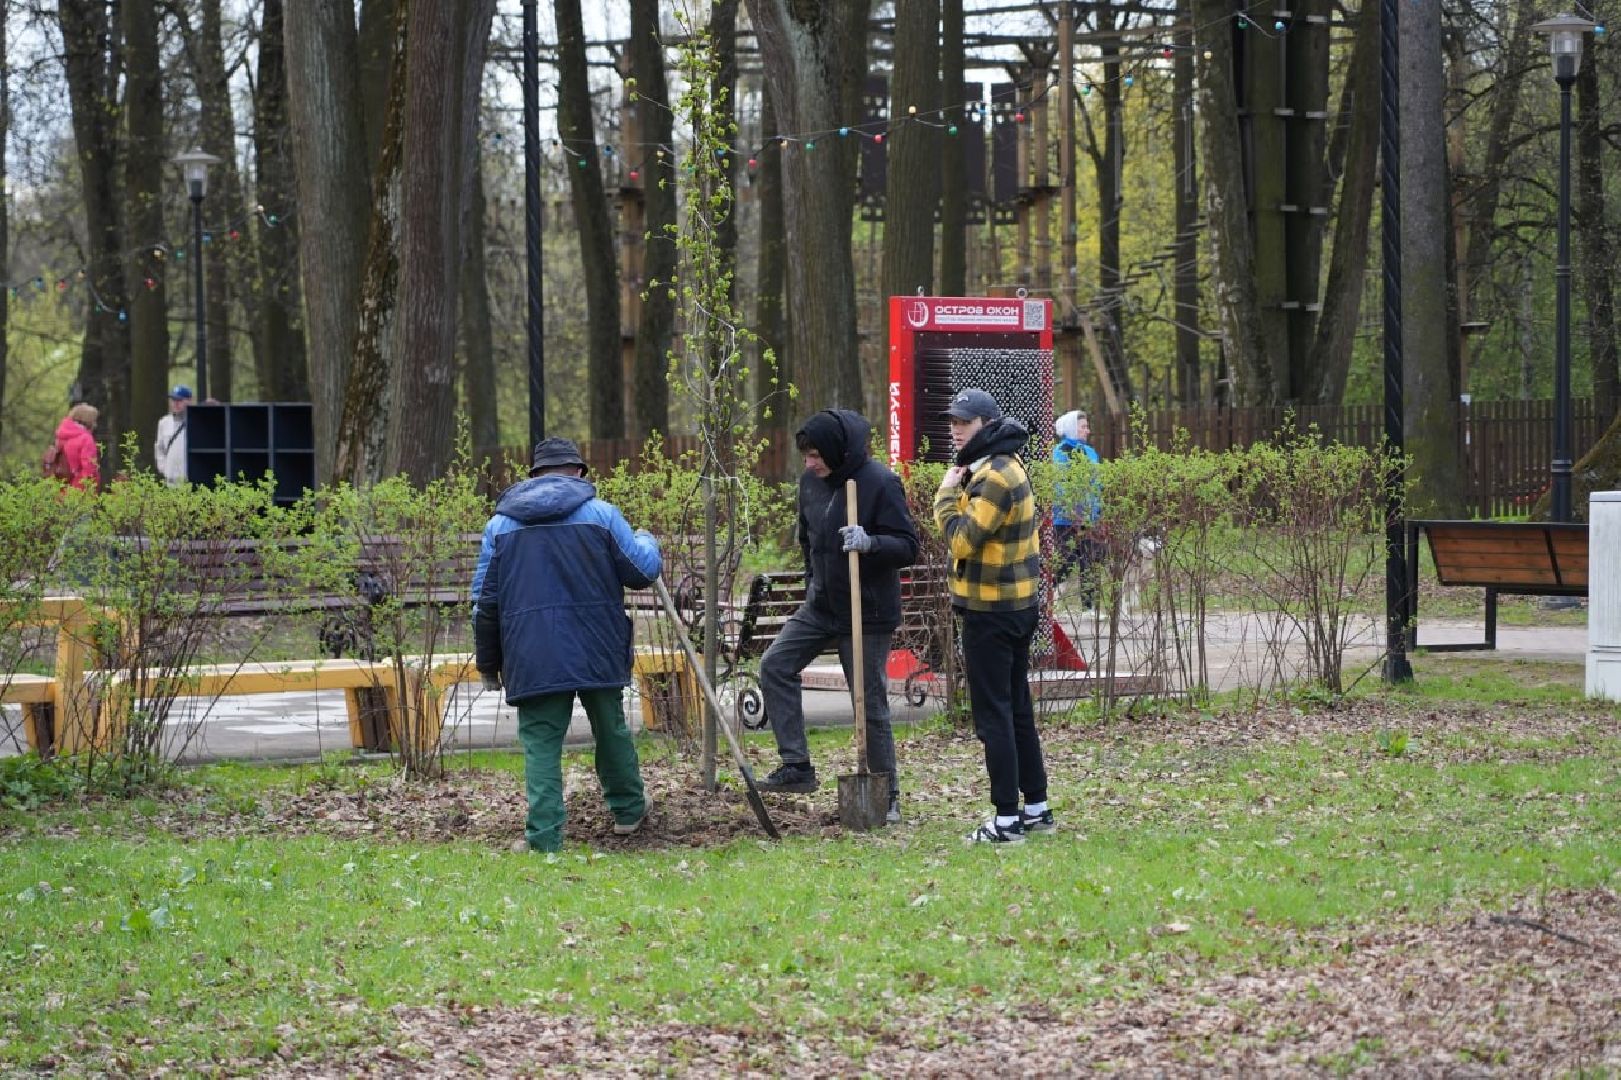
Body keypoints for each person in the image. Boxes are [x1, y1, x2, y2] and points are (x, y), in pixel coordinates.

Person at [472, 437, 663, 854]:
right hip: (597, 644)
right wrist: (649, 539)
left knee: (541, 741)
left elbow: (484, 603)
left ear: (535, 475)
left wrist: (489, 662)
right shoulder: (602, 515)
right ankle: (629, 811)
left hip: (532, 651)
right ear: (578, 472)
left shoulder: (500, 526)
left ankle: (544, 838)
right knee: (610, 728)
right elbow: (641, 570)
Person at [754, 408, 920, 824]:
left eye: (815, 455)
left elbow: (908, 546)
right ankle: (797, 765)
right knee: (775, 665)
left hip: (867, 609)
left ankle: (886, 794)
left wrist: (871, 543)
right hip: (823, 604)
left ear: (837, 450)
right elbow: (807, 539)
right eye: (806, 455)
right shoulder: (811, 483)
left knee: (869, 704)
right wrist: (815, 584)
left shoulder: (880, 483)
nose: (809, 464)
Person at [933, 388, 1053, 844]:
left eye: (964, 423)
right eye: (952, 422)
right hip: (1016, 607)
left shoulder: (996, 477)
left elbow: (963, 541)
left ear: (986, 425)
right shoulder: (1003, 465)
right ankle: (1036, 806)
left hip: (993, 613)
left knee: (994, 715)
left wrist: (945, 496)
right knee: (1016, 707)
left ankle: (1006, 819)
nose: (955, 429)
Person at [1051, 409, 1102, 604]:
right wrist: (1073, 513)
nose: (1087, 431)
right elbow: (1060, 486)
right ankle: (1051, 604)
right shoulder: (1060, 452)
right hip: (1066, 520)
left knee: (1089, 562)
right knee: (1066, 561)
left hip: (1090, 519)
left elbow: (1096, 484)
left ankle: (1089, 606)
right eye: (1083, 427)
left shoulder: (1090, 452)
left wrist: (1095, 511)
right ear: (1072, 428)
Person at [53, 403, 101, 491]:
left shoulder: (61, 435)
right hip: (78, 492)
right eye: (94, 420)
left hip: (59, 489)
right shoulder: (86, 439)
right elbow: (89, 469)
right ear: (89, 421)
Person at [155, 386, 193, 486]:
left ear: (189, 401)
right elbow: (159, 448)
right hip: (170, 480)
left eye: (179, 400)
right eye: (173, 400)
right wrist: (163, 468)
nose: (175, 403)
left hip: (189, 480)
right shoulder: (164, 422)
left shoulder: (196, 422)